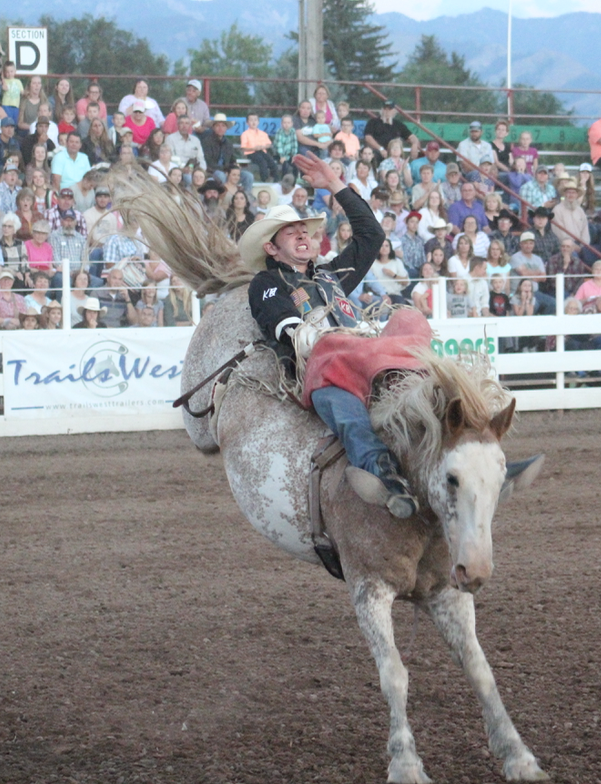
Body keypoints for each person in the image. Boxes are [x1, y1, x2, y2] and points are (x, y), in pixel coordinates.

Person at [245, 151, 418, 518]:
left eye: (305, 231)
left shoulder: (331, 272)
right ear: (271, 248)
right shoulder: (267, 283)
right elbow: (292, 332)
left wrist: (335, 185)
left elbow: (371, 236)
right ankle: (384, 474)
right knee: (343, 400)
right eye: (291, 233)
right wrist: (339, 340)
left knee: (410, 319)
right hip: (325, 368)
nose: (303, 236)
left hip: (364, 354)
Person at [200, 113, 253, 192]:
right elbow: (208, 163)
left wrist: (235, 166)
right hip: (212, 172)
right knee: (221, 175)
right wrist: (226, 170)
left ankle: (246, 198)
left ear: (226, 128)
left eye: (223, 126)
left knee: (248, 176)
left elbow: (232, 159)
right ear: (213, 127)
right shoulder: (206, 142)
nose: (220, 128)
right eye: (218, 125)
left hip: (227, 171)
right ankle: (225, 197)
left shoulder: (228, 143)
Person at [510, 231, 555, 313]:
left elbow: (543, 277)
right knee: (535, 305)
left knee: (554, 303)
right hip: (519, 293)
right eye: (526, 243)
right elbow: (523, 274)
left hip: (535, 292)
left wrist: (529, 273)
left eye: (531, 243)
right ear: (521, 244)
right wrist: (537, 273)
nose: (528, 246)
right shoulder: (515, 257)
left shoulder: (537, 259)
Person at [240, 112, 278, 182]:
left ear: (258, 122)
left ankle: (275, 180)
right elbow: (243, 148)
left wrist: (263, 146)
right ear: (247, 123)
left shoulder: (263, 133)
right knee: (262, 162)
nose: (253, 122)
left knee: (272, 163)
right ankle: (265, 180)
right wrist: (254, 148)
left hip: (262, 151)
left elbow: (269, 144)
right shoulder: (245, 134)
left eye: (255, 120)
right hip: (251, 153)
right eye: (251, 120)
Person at [551, 178, 590, 247]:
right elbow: (559, 233)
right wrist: (572, 246)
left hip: (581, 245)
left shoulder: (580, 211)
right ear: (565, 194)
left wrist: (583, 246)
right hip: (564, 245)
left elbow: (585, 231)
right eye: (569, 192)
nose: (571, 195)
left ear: (576, 195)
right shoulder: (557, 210)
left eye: (573, 192)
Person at [369, 238, 409, 304]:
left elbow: (405, 282)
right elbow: (368, 284)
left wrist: (393, 275)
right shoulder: (372, 263)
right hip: (378, 295)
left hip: (394, 294)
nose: (384, 248)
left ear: (390, 248)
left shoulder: (397, 262)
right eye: (381, 246)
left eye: (387, 246)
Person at [1, 212, 30, 288]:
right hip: (5, 274)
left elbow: (24, 260)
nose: (6, 229)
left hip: (20, 274)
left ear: (15, 229)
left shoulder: (20, 243)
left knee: (29, 283)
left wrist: (27, 276)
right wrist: (14, 273)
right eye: (4, 226)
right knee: (18, 283)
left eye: (9, 227)